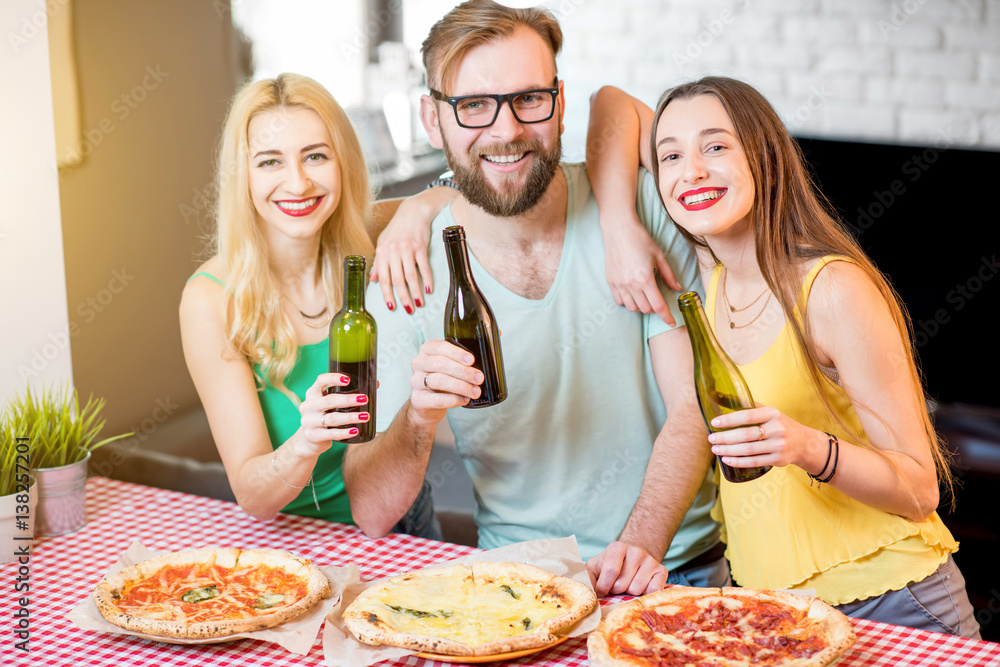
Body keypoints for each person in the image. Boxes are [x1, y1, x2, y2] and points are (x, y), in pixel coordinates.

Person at [343, 0, 726, 597]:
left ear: (559, 102)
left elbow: (693, 407)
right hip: (517, 582)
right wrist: (418, 418)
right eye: (473, 105)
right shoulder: (404, 273)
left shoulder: (637, 209)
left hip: (674, 569)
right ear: (431, 118)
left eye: (529, 99)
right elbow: (370, 509)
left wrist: (639, 548)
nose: (506, 130)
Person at [586, 76, 979, 637]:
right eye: (670, 156)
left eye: (716, 146)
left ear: (765, 158)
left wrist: (807, 447)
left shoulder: (833, 288)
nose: (690, 170)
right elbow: (613, 103)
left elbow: (920, 489)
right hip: (777, 611)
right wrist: (618, 223)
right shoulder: (712, 283)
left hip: (892, 600)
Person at [178, 73, 441, 538]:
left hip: (404, 521)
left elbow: (463, 193)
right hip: (294, 542)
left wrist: (418, 210)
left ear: (343, 163)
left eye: (315, 156)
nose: (297, 183)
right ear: (244, 176)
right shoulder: (211, 299)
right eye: (269, 162)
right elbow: (253, 497)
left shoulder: (373, 236)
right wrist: (306, 442)